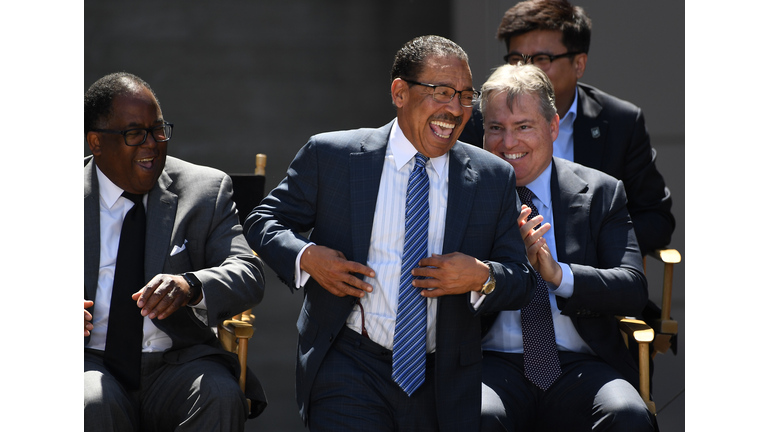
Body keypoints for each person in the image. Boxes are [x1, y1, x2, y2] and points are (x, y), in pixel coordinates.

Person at [244, 35, 536, 432]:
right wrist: (307, 257)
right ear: (400, 92)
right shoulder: (334, 156)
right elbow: (264, 221)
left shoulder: (490, 176)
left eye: (467, 96)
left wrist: (481, 276)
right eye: (442, 92)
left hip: (442, 377)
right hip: (348, 362)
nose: (455, 109)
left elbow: (520, 280)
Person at [84, 72, 267, 432]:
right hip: (90, 360)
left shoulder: (205, 191)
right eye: (134, 133)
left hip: (178, 362)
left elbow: (248, 271)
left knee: (220, 395)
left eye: (158, 129)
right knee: (91, 401)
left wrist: (191, 285)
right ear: (97, 142)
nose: (152, 144)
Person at [479, 63, 656, 431]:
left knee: (626, 414)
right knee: (476, 416)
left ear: (553, 126)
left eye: (523, 126)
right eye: (496, 128)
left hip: (579, 362)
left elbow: (632, 287)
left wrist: (559, 275)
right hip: (491, 361)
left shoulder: (601, 192)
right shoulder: (466, 193)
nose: (508, 143)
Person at [459, 0, 674, 257]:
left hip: (589, 283)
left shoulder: (620, 122)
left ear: (579, 64)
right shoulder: (479, 119)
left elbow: (656, 220)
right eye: (517, 59)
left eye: (542, 58)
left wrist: (587, 249)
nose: (527, 70)